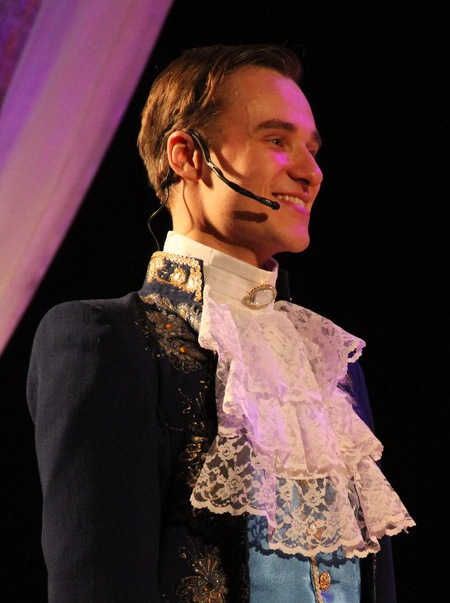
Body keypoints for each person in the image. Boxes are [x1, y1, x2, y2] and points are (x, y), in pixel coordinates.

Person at [27, 43, 414, 602]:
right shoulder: (106, 340)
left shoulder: (329, 361)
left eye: (312, 149)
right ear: (187, 155)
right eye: (276, 140)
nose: (311, 173)